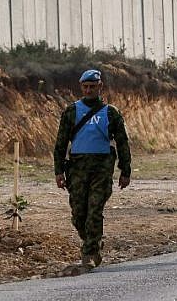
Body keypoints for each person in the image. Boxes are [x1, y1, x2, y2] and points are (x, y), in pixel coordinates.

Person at [53, 69, 131, 270]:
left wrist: (125, 170)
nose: (88, 90)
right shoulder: (71, 111)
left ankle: (88, 253)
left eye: (92, 87)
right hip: (77, 169)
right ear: (81, 87)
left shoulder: (110, 113)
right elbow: (61, 143)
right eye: (85, 87)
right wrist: (58, 171)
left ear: (100, 87)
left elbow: (122, 142)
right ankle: (93, 243)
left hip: (102, 169)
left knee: (95, 210)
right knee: (79, 213)